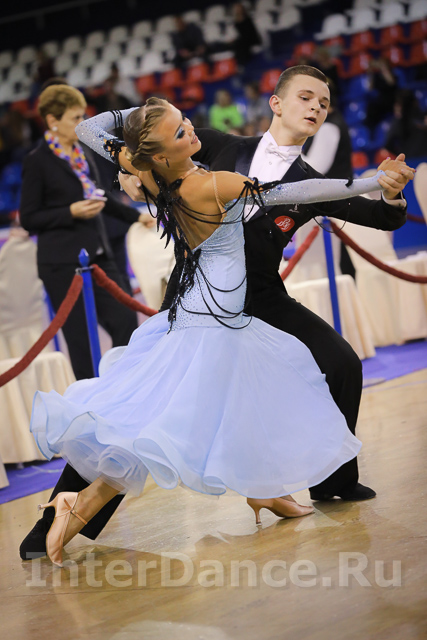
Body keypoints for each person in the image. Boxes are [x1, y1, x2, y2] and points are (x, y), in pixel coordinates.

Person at [19, 67, 413, 562]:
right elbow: (143, 144)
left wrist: (389, 189)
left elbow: (379, 215)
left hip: (261, 292)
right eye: (305, 96)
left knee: (341, 362)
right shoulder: (216, 145)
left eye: (324, 102)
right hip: (196, 295)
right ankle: (53, 519)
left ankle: (328, 483)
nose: (316, 106)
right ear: (275, 103)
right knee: (144, 403)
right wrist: (139, 140)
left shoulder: (309, 178)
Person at [19, 84, 142, 381]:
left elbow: (101, 196)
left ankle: (122, 385)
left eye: (83, 116)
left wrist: (138, 217)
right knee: (81, 343)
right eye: (75, 118)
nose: (83, 123)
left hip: (98, 256)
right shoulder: (37, 161)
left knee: (126, 320)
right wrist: (70, 212)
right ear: (52, 120)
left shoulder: (82, 152)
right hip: (62, 265)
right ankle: (91, 399)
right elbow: (29, 218)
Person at [302, 80, 356, 277]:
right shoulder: (328, 123)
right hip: (335, 198)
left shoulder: (329, 126)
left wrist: (289, 146)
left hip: (336, 201)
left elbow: (316, 167)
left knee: (342, 261)